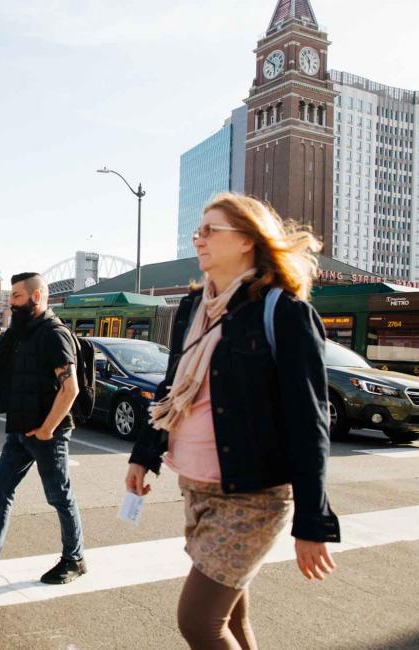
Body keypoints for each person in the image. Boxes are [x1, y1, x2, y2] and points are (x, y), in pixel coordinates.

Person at [125, 193, 340, 650]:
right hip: (197, 487)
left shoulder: (283, 312)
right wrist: (144, 455)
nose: (198, 239)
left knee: (198, 622)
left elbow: (309, 421)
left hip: (253, 496)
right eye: (197, 231)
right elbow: (171, 387)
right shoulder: (193, 308)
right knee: (233, 619)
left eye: (210, 230)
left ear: (246, 240)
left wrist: (312, 522)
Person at [0, 272, 86, 585]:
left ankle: (74, 558)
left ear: (36, 297)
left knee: (59, 495)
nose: (11, 303)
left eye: (17, 297)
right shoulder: (24, 332)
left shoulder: (54, 334)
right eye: (10, 297)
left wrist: (49, 428)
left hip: (48, 433)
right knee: (0, 488)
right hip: (20, 430)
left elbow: (70, 388)